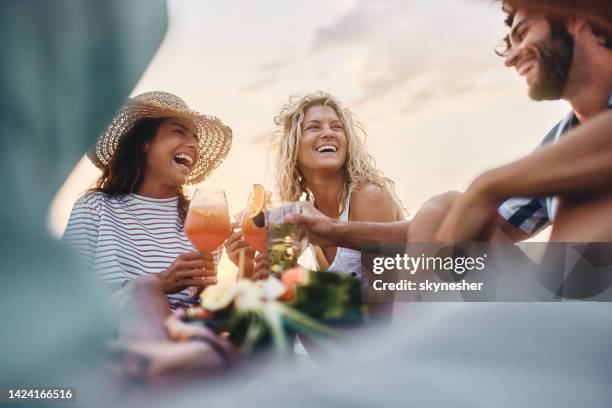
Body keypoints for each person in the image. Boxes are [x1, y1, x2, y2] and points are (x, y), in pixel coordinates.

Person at [284, 0, 612, 245]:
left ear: (574, 17)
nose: (511, 57)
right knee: (442, 209)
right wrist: (333, 230)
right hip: (574, 306)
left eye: (522, 33)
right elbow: (463, 224)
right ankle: (420, 335)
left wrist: (490, 185)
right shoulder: (559, 141)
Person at [63, 91, 233, 305]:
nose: (193, 145)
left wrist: (246, 268)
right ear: (145, 142)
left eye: (195, 138)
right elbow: (64, 292)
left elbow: (200, 306)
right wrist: (159, 283)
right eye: (179, 132)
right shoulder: (95, 208)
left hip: (183, 335)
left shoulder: (202, 220)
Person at [226, 91, 404, 281]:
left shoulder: (369, 197)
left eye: (337, 127)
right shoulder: (307, 216)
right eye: (313, 127)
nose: (328, 133)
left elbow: (386, 298)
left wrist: (296, 275)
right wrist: (246, 268)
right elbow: (264, 303)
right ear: (294, 146)